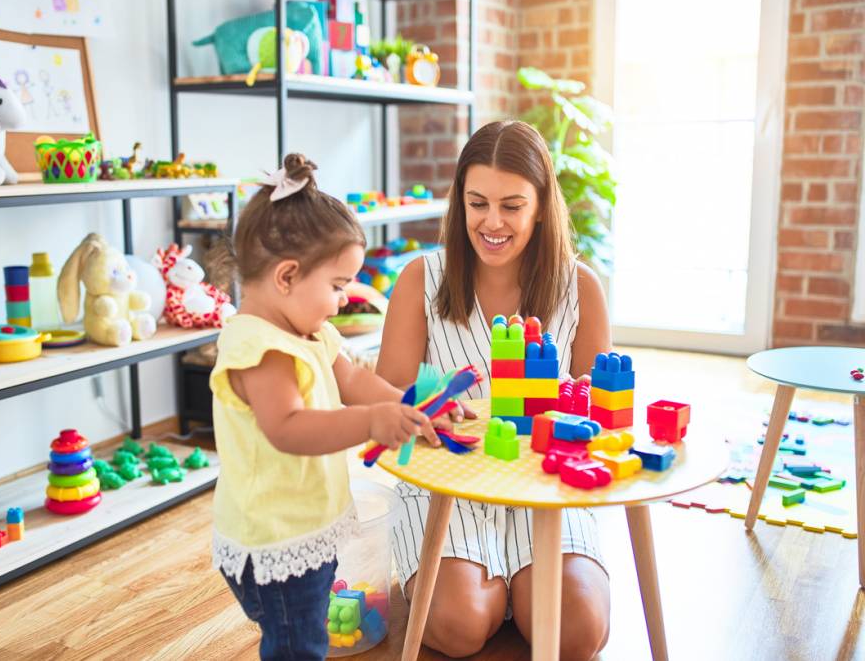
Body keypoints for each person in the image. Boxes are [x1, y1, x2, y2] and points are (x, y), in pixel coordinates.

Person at [376, 120, 612, 660]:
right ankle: (493, 594)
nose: (492, 222)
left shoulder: (581, 288)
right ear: (460, 201)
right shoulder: (422, 279)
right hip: (446, 487)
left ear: (541, 205)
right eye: (477, 203)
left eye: (512, 205)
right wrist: (429, 406)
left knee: (575, 632)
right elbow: (386, 393)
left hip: (547, 489)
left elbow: (599, 410)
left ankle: (519, 593)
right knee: (460, 627)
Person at [209, 153, 441, 660]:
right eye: (337, 286)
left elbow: (355, 379)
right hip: (272, 538)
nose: (342, 301)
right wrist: (371, 422)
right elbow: (287, 428)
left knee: (306, 631)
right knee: (299, 645)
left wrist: (415, 407)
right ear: (287, 277)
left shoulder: (309, 330)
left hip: (305, 525)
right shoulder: (260, 347)